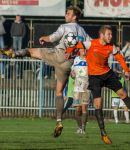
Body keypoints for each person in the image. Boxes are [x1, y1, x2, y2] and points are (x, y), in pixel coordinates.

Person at [0, 6, 91, 138]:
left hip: (58, 55)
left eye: (68, 13)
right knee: (59, 92)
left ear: (74, 16)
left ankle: (13, 53)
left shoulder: (65, 27)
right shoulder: (83, 32)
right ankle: (59, 121)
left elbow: (53, 38)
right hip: (68, 64)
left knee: (31, 51)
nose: (66, 15)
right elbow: (91, 45)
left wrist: (44, 38)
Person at [65, 25, 130, 145]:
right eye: (108, 34)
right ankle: (103, 134)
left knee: (123, 94)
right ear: (102, 35)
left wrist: (127, 70)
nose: (111, 36)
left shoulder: (111, 47)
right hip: (94, 77)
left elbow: (120, 57)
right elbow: (76, 44)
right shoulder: (91, 43)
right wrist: (68, 52)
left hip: (107, 74)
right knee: (98, 104)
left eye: (111, 34)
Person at [71, 48, 90, 134]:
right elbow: (72, 72)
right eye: (83, 50)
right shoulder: (76, 59)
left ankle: (83, 128)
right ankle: (79, 127)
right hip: (77, 88)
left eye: (85, 50)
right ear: (80, 51)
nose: (84, 51)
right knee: (77, 109)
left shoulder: (90, 59)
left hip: (86, 87)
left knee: (84, 108)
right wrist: (72, 74)